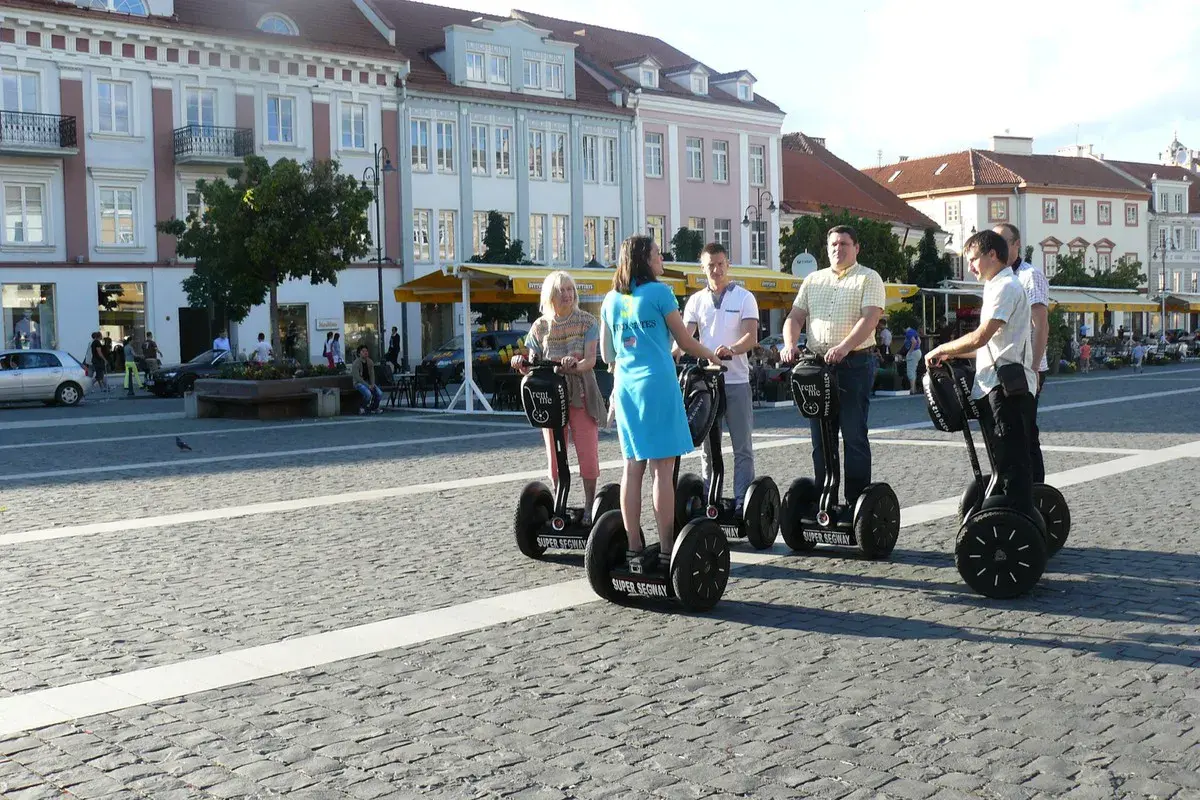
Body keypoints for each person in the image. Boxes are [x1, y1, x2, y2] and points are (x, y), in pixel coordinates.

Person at [600, 235, 720, 573]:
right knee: (662, 471)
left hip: (625, 387)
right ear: (644, 259)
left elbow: (607, 355)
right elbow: (684, 341)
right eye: (657, 253)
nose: (661, 258)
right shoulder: (660, 293)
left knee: (631, 468)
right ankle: (668, 550)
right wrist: (711, 356)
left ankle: (635, 550)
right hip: (657, 385)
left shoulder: (611, 299)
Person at [925, 229, 1036, 515]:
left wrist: (940, 348)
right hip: (994, 384)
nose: (970, 266)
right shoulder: (995, 286)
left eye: (974, 259)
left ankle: (1018, 523)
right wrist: (951, 353)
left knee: (1011, 463)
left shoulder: (1005, 287)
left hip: (1005, 387)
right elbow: (986, 346)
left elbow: (981, 337)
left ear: (992, 255)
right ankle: (1013, 518)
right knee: (1003, 460)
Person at [780, 225, 886, 508]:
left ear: (856, 248)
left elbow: (870, 318)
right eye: (833, 245)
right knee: (821, 440)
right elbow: (795, 316)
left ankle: (856, 504)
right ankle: (824, 500)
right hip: (817, 367)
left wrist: (844, 347)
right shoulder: (813, 280)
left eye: (844, 244)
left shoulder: (868, 278)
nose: (838, 249)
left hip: (854, 364)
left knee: (853, 435)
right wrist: (790, 344)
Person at [512, 271, 607, 524]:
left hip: (580, 393)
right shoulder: (540, 326)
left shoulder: (587, 321)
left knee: (587, 453)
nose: (567, 294)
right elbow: (532, 363)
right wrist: (521, 363)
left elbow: (590, 361)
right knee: (555, 456)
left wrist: (573, 364)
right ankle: (559, 501)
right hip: (550, 397)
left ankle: (589, 506)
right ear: (550, 295)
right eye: (561, 290)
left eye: (569, 289)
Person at [674, 242, 759, 513]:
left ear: (728, 264)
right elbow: (685, 337)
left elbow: (751, 336)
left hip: (736, 381)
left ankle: (741, 501)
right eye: (711, 265)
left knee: (741, 445)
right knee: (708, 449)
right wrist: (672, 354)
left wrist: (732, 349)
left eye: (721, 264)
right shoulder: (696, 301)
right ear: (703, 268)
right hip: (706, 384)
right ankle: (710, 498)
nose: (716, 269)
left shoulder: (744, 297)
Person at [995, 223, 1049, 482]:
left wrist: (1035, 367)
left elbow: (1041, 324)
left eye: (1004, 241)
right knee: (1008, 432)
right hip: (1005, 364)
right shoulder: (998, 278)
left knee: (1026, 432)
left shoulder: (1029, 276)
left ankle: (1035, 489)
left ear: (1017, 244)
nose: (999, 247)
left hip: (1026, 365)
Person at [350, 345, 384, 414]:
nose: (365, 353)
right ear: (359, 353)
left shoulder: (370, 362)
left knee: (380, 393)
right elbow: (357, 378)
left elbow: (372, 374)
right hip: (358, 383)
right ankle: (362, 407)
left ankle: (374, 408)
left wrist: (372, 384)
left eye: (366, 351)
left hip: (369, 383)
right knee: (368, 394)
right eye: (363, 351)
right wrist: (367, 385)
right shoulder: (356, 363)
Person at [903, 325, 922, 393]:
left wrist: (910, 352)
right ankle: (914, 388)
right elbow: (919, 341)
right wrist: (917, 348)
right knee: (914, 371)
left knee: (910, 371)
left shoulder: (908, 333)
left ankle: (912, 389)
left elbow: (914, 342)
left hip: (913, 353)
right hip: (918, 352)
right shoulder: (914, 331)